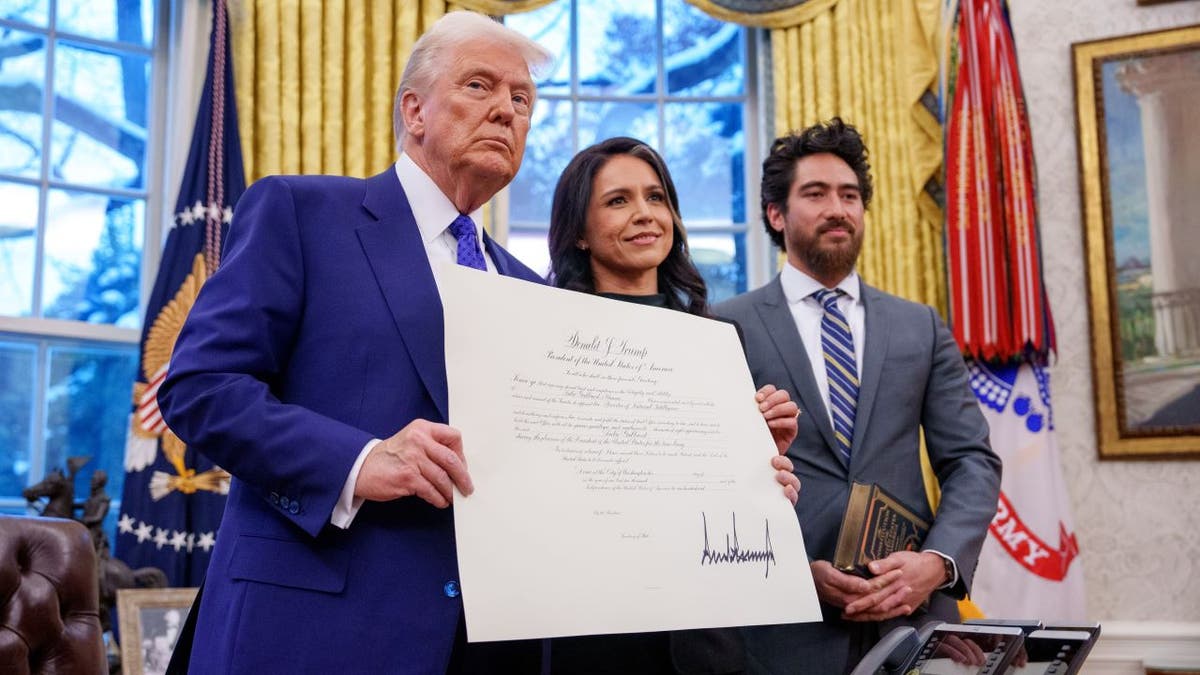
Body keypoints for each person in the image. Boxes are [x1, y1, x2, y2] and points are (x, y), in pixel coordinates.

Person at [158, 12, 554, 673]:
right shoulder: (301, 212)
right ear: (415, 110)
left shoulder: (528, 288)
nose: (506, 112)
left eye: (521, 100)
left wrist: (733, 469)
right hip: (310, 630)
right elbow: (200, 388)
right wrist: (357, 460)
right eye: (480, 86)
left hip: (488, 642)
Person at [712, 118, 1001, 675]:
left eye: (850, 196)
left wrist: (937, 566)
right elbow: (712, 483)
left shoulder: (921, 327)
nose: (837, 209)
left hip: (915, 626)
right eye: (815, 194)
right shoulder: (725, 327)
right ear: (777, 214)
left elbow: (971, 461)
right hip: (779, 629)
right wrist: (797, 570)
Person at [546, 136, 802, 674]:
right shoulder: (545, 338)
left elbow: (737, 505)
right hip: (590, 636)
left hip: (707, 646)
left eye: (656, 197)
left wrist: (765, 471)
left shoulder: (718, 339)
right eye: (618, 201)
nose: (645, 214)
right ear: (579, 234)